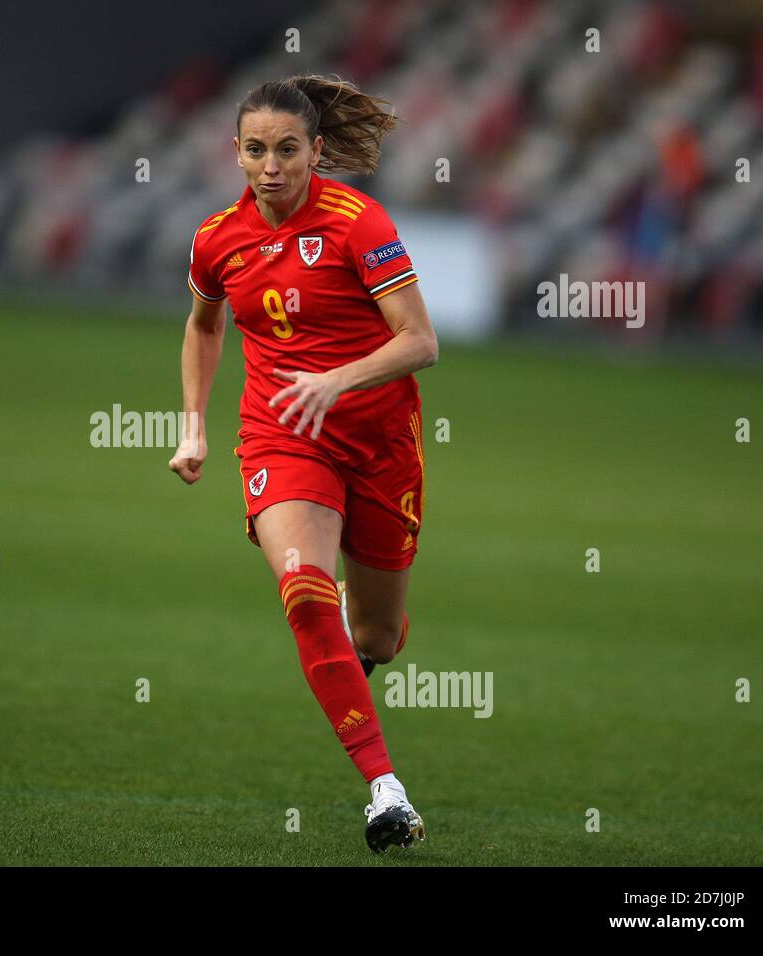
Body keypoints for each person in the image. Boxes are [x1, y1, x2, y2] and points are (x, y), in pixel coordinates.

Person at [168, 74, 438, 854]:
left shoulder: (360, 223)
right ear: (236, 153)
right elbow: (203, 327)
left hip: (380, 443)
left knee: (379, 637)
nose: (271, 166)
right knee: (304, 592)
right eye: (255, 150)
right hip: (283, 437)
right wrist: (194, 427)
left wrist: (336, 381)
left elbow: (421, 341)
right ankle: (386, 792)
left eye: (288, 149)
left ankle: (360, 617)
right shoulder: (218, 237)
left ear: (317, 151)